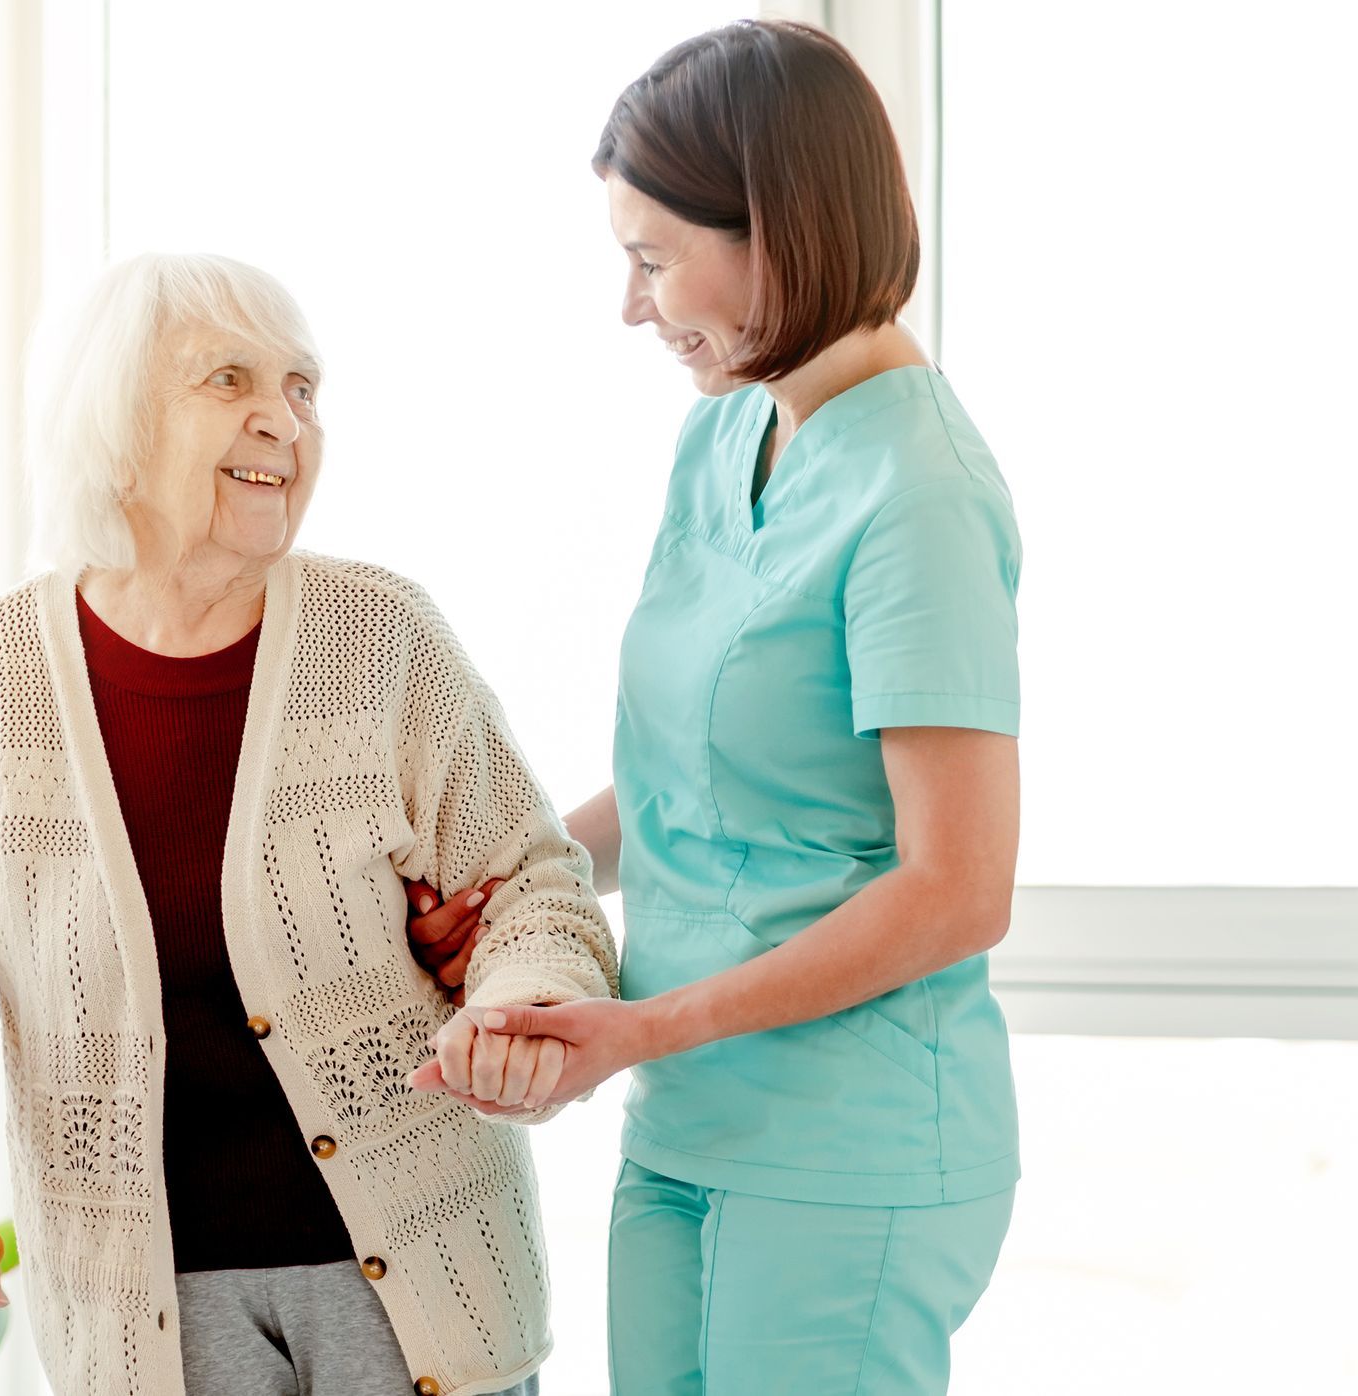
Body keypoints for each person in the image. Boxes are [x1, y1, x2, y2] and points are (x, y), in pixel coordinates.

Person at [0, 252, 617, 1396]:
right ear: (117, 420)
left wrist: (519, 1003)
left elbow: (533, 883)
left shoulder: (379, 637)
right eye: (230, 380)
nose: (282, 419)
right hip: (144, 1305)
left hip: (418, 1280)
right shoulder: (1, 673)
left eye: (304, 387)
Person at [410, 21, 1023, 1395]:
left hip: (843, 1149)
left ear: (780, 231)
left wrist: (643, 1027)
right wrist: (513, 883)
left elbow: (958, 889)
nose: (634, 308)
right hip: (687, 1123)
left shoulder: (917, 493)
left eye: (651, 258)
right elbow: (695, 783)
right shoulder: (728, 431)